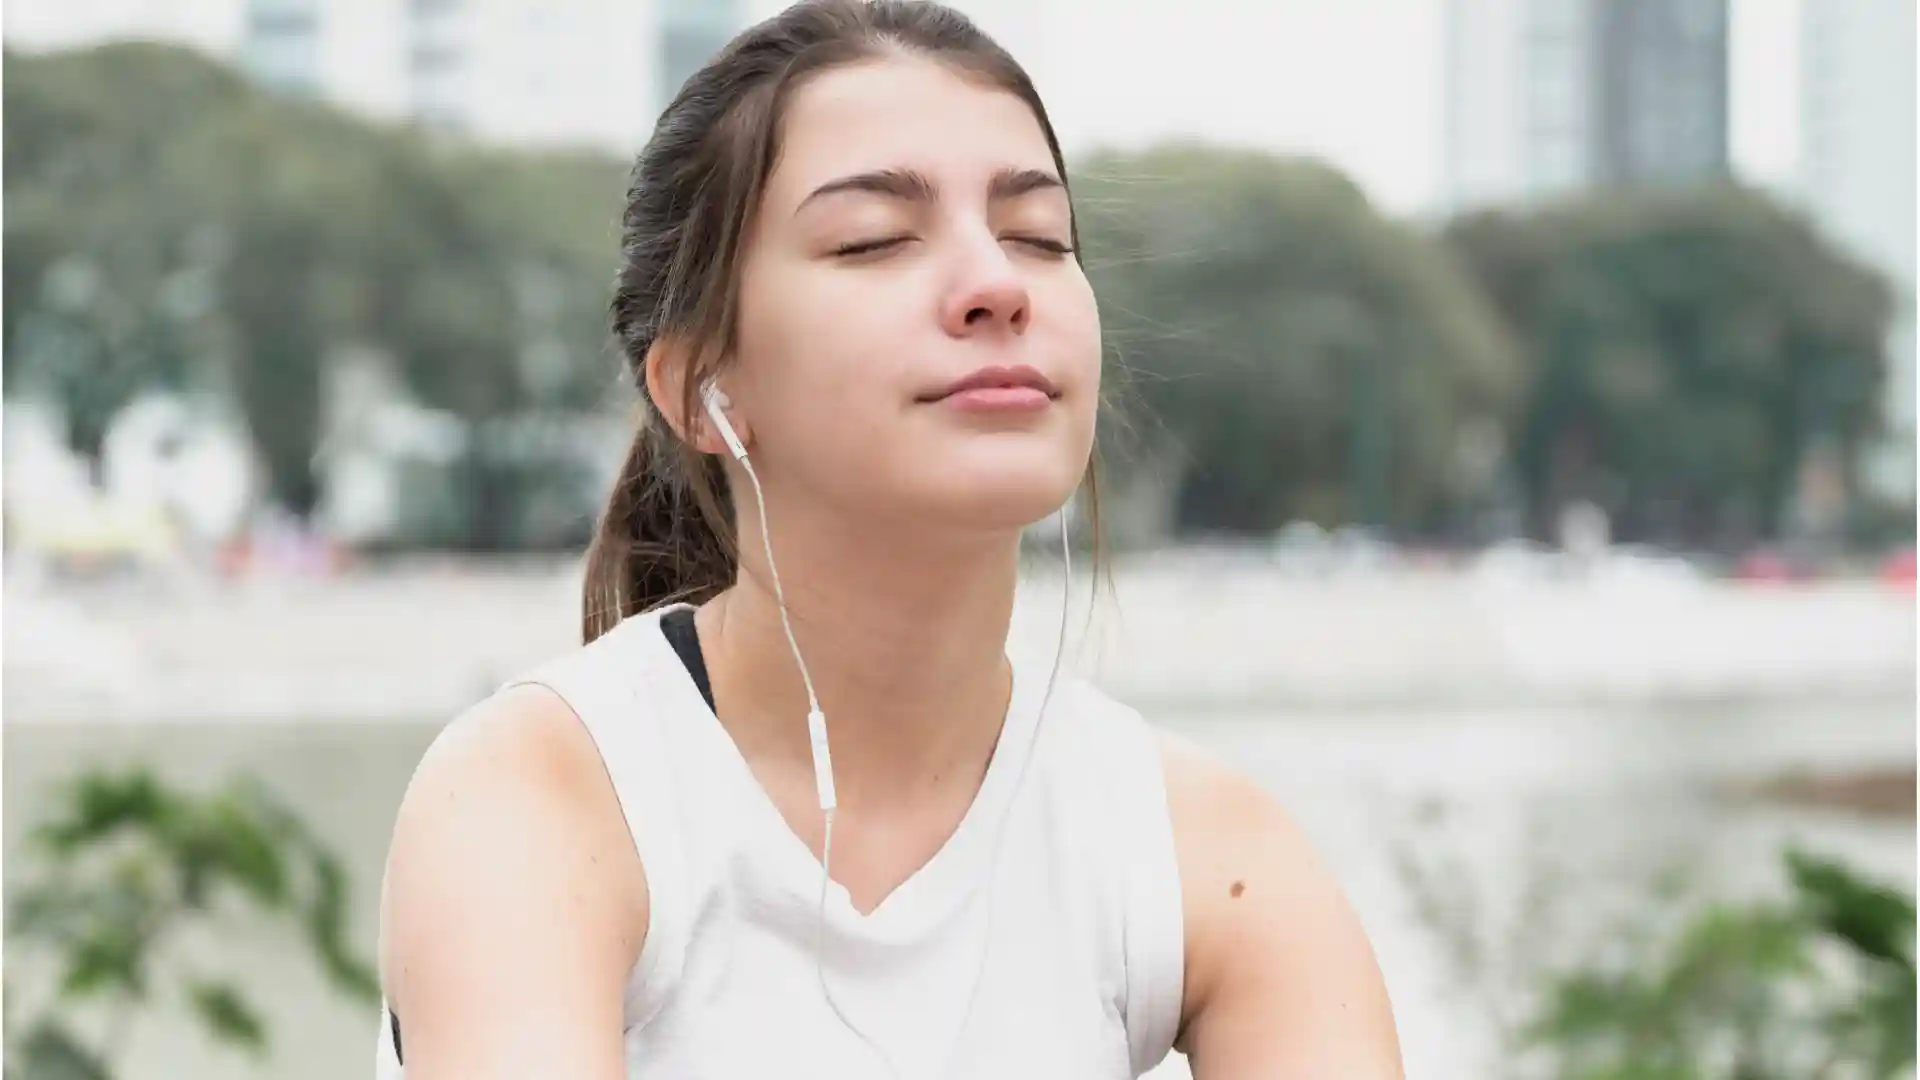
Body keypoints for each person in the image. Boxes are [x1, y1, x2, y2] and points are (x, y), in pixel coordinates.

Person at [374, 1, 1403, 1076]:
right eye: (873, 240)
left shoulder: (1207, 851)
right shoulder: (543, 797)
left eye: (1039, 237)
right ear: (702, 387)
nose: (998, 287)